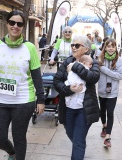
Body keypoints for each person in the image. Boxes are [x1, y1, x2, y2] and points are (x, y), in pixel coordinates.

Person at [0, 10, 45, 160]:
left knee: (19, 138)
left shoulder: (30, 48)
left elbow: (36, 75)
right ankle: (12, 153)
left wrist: (41, 99)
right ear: (7, 24)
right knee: (0, 138)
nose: (15, 26)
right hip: (1, 101)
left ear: (23, 27)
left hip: (23, 101)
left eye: (19, 24)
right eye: (12, 22)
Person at [53, 35, 100, 160]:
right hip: (68, 107)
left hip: (84, 109)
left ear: (86, 49)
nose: (73, 47)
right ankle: (80, 148)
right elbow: (57, 81)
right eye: (72, 45)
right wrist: (69, 89)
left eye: (77, 45)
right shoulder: (67, 61)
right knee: (71, 133)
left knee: (78, 140)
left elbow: (94, 77)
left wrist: (75, 67)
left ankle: (79, 149)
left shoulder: (92, 62)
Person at [97, 39, 122, 148]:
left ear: (115, 48)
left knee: (110, 113)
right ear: (105, 48)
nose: (111, 48)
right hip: (102, 90)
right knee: (102, 111)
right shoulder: (100, 59)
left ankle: (108, 136)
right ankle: (104, 126)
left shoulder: (119, 60)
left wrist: (103, 69)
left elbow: (120, 76)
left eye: (113, 46)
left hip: (113, 92)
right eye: (108, 46)